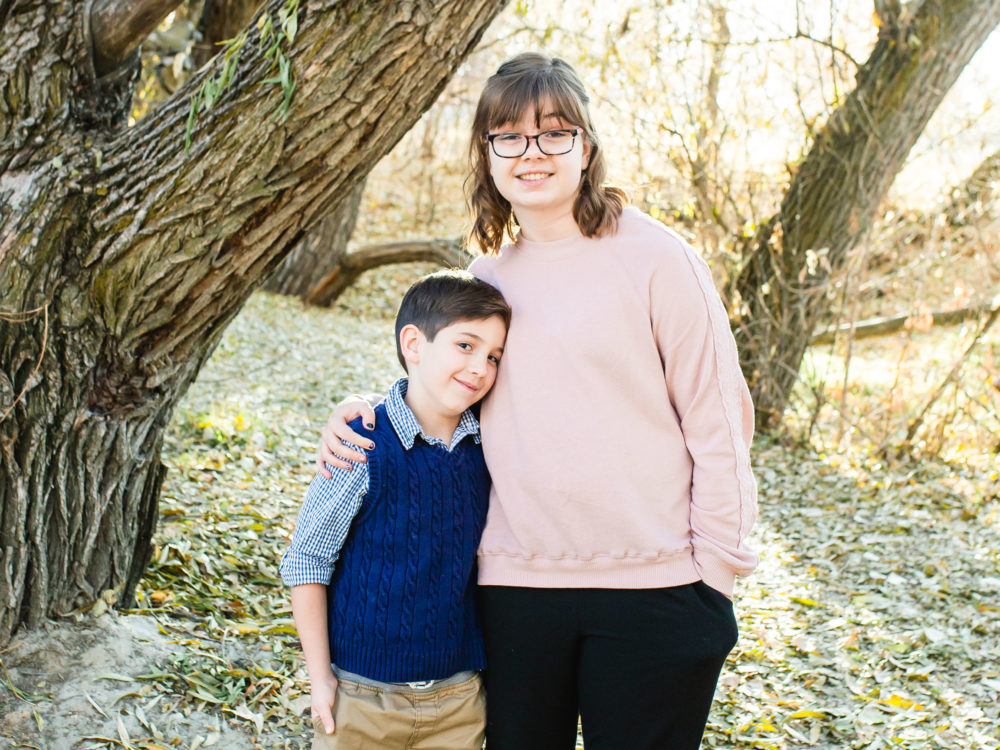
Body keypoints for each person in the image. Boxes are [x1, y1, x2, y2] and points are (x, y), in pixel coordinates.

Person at [317, 52, 758, 750]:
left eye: (554, 132)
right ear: (488, 154)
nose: (532, 152)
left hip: (660, 589)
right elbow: (445, 395)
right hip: (513, 595)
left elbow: (718, 418)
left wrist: (716, 578)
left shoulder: (658, 258)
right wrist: (360, 407)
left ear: (586, 146)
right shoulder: (488, 279)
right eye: (509, 136)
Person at [281, 270, 510, 750]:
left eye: (494, 356)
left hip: (459, 696)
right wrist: (320, 677)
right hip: (362, 695)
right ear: (414, 343)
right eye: (466, 346)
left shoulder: (491, 446)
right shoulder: (362, 444)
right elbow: (307, 560)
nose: (480, 368)